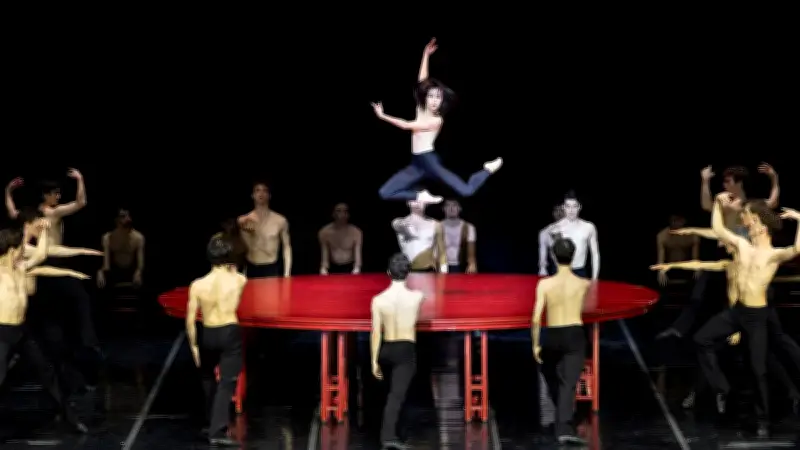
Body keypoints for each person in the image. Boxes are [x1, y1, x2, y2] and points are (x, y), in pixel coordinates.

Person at [651, 237, 800, 412]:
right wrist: (671, 265)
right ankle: (702, 392)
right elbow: (701, 264)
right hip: (736, 319)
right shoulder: (729, 265)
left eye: (725, 242)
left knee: (764, 358)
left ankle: (790, 394)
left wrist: (737, 330)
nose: (721, 245)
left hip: (748, 320)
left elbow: (739, 300)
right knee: (708, 349)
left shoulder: (746, 268)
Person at [693, 195, 799, 437]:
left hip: (756, 317)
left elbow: (798, 249)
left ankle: (763, 420)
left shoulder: (773, 254)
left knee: (758, 368)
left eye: (749, 218)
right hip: (737, 312)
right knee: (701, 339)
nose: (745, 222)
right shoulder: (743, 245)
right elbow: (719, 229)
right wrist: (717, 205)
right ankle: (722, 388)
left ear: (760, 224)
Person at [374, 38, 502, 204]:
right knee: (384, 193)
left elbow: (406, 125)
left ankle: (487, 169)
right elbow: (422, 81)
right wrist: (425, 55)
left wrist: (383, 116)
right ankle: (419, 196)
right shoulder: (421, 109)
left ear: (442, 101)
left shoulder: (437, 120)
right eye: (431, 96)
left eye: (438, 97)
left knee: (466, 191)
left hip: (429, 161)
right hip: (416, 164)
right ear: (426, 98)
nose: (434, 100)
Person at [0, 220, 88, 434]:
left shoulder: (20, 267)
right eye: (21, 248)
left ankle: (69, 418)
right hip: (2, 333)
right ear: (11, 250)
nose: (24, 251)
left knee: (47, 372)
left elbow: (40, 256)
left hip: (21, 331)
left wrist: (44, 232)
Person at [185, 236, 247, 447]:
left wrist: (194, 346)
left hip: (208, 333)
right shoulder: (238, 280)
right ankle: (217, 429)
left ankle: (210, 420)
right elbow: (238, 277)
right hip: (229, 331)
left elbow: (190, 320)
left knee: (207, 377)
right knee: (227, 382)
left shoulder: (198, 285)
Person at [532, 238, 589, 446]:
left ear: (553, 257)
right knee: (568, 383)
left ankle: (563, 423)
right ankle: (563, 424)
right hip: (574, 334)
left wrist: (535, 344)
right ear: (573, 257)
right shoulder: (583, 284)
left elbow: (536, 318)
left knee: (553, 376)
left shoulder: (545, 284)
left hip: (553, 335)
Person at [371, 253, 424, 449]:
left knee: (389, 394)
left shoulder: (378, 300)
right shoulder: (417, 297)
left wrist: (373, 360)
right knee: (396, 396)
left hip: (386, 348)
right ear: (408, 273)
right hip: (405, 351)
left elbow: (376, 333)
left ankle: (389, 432)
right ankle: (388, 437)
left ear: (388, 273)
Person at [538, 191, 599, 279]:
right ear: (563, 207)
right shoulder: (555, 228)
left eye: (574, 206)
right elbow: (551, 252)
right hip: (559, 272)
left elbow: (595, 255)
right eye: (568, 206)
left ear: (579, 207)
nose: (571, 210)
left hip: (579, 271)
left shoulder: (589, 227)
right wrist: (543, 267)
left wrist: (595, 279)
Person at [237, 181, 292, 278]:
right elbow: (240, 248)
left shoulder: (280, 220)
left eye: (264, 190)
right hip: (251, 267)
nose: (261, 193)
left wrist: (287, 274)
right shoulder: (245, 221)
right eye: (257, 190)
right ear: (252, 195)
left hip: (271, 268)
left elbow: (286, 247)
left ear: (269, 195)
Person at [392, 200, 446, 273]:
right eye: (414, 200)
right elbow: (397, 225)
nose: (417, 203)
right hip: (408, 270)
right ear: (408, 202)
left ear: (426, 203)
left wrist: (444, 272)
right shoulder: (400, 222)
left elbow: (442, 252)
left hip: (429, 269)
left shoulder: (436, 224)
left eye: (421, 200)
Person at [98, 209, 145, 289]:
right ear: (116, 220)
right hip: (115, 271)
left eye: (128, 216)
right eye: (123, 216)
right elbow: (106, 265)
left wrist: (138, 273)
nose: (127, 219)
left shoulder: (138, 238)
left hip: (131, 270)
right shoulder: (108, 238)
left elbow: (140, 264)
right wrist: (100, 272)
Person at [655, 214, 700, 286]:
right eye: (674, 220)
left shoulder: (693, 235)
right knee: (660, 276)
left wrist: (697, 268)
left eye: (679, 220)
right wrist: (661, 271)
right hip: (670, 267)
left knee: (700, 274)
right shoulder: (662, 236)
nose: (676, 223)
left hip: (687, 267)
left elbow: (696, 257)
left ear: (684, 221)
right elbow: (661, 257)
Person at [318, 203, 362, 275]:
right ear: (333, 214)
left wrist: (357, 268)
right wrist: (323, 268)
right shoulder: (324, 232)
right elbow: (324, 252)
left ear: (348, 214)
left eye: (345, 211)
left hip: (349, 267)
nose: (342, 214)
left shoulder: (356, 232)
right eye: (338, 211)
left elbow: (357, 252)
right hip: (333, 267)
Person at [440, 199, 477, 273]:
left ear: (460, 208)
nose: (451, 208)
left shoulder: (468, 227)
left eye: (454, 205)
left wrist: (472, 264)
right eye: (448, 205)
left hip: (460, 266)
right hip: (441, 266)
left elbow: (471, 249)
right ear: (443, 209)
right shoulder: (436, 227)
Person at [538, 204, 565, 276]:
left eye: (561, 210)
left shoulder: (577, 229)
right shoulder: (545, 232)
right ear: (553, 213)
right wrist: (542, 269)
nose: (559, 213)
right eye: (556, 210)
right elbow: (542, 251)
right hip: (557, 268)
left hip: (576, 268)